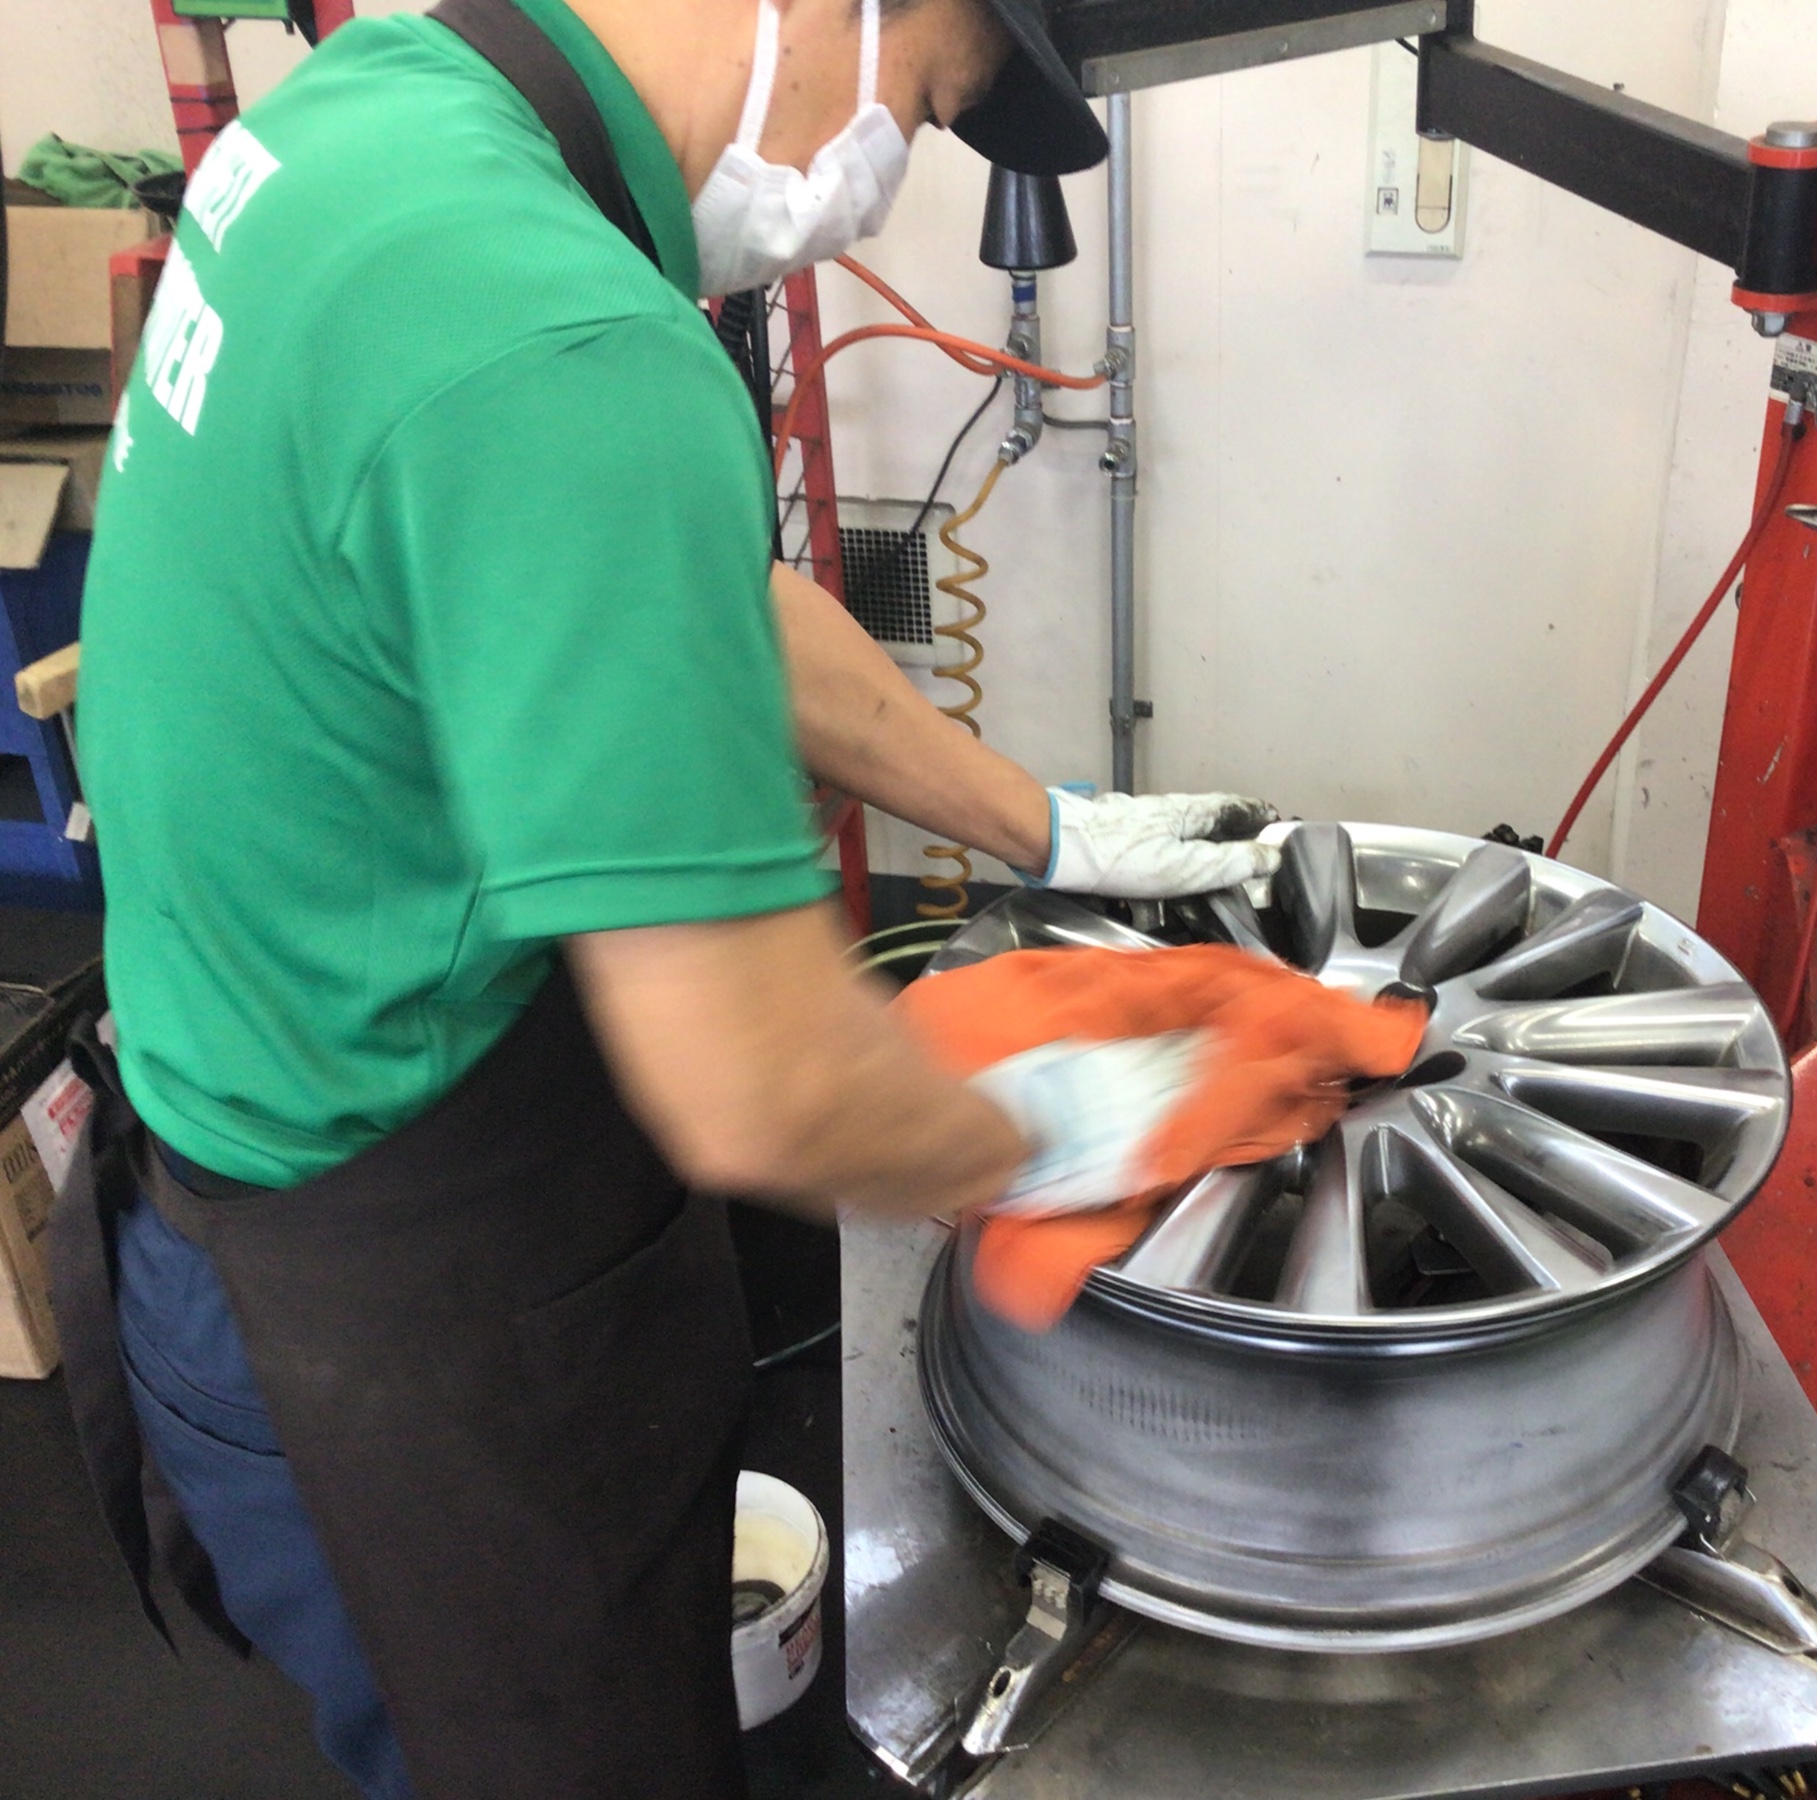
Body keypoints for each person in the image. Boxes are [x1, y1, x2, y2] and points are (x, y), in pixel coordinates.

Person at [66, 1, 1277, 1795]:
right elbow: (759, 1078)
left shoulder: (383, 111)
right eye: (925, 105)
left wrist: (1052, 831)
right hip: (394, 1325)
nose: (879, 185)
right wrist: (1109, 1124)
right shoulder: (560, 337)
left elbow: (677, 578)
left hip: (254, 1148)